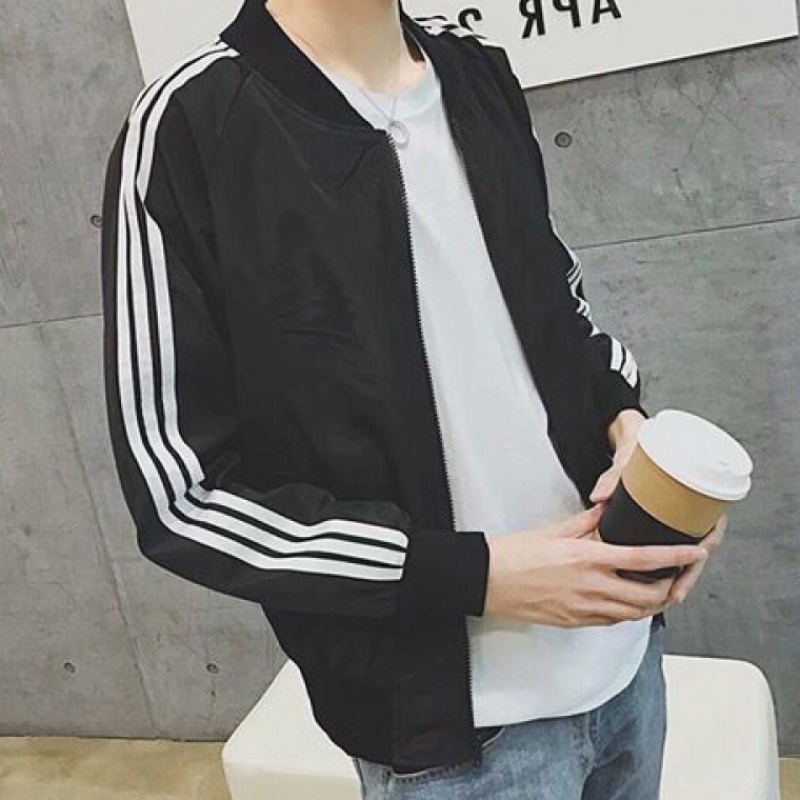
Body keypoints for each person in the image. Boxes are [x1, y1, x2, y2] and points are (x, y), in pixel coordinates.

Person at [100, 0, 724, 797]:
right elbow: (181, 495)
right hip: (455, 738)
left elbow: (557, 301)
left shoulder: (474, 72)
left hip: (626, 666)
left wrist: (627, 427)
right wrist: (472, 574)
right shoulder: (188, 126)